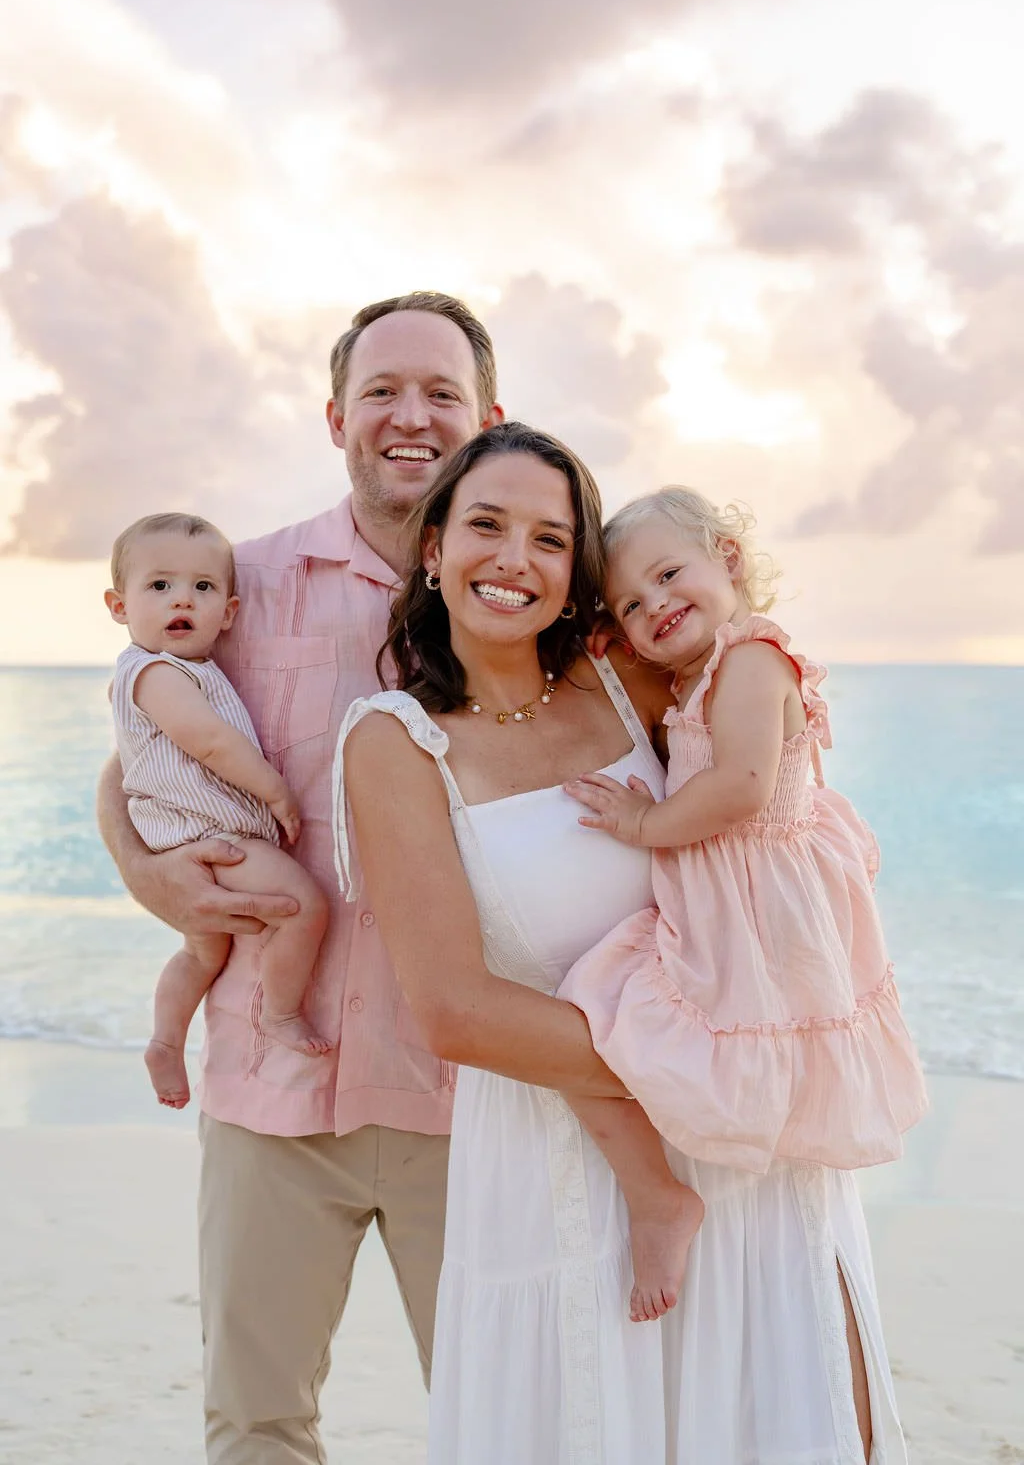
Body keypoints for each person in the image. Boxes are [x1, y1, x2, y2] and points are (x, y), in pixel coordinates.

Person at [340, 425, 909, 1464]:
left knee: (798, 1414)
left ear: (575, 578)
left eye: (550, 539)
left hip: (752, 1143)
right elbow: (453, 1012)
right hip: (571, 1160)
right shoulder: (392, 742)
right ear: (433, 551)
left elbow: (766, 789)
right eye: (485, 525)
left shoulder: (631, 687)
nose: (515, 558)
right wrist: (718, 1053)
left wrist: (781, 1028)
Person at [96, 292, 502, 1464]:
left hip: (470, 1101)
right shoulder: (237, 583)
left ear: (488, 418)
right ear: (336, 416)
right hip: (276, 1083)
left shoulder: (536, 600)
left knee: (506, 1423)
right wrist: (149, 876)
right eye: (381, 390)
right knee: (258, 1427)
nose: (409, 416)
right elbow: (129, 760)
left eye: (440, 393)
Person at [559, 486, 930, 1322]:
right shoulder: (692, 674)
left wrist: (643, 821)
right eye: (631, 602)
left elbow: (743, 787)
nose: (658, 605)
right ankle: (666, 1190)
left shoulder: (753, 660)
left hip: (758, 894)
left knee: (605, 1002)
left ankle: (688, 1185)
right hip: (727, 891)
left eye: (669, 574)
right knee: (598, 1003)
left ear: (726, 557)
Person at [106, 511, 331, 1108]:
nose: (182, 598)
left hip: (187, 837)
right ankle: (281, 1013)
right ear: (118, 605)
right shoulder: (154, 672)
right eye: (159, 586)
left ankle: (164, 1040)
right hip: (214, 833)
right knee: (303, 906)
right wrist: (275, 791)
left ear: (228, 613)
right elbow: (209, 741)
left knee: (202, 950)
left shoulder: (194, 668)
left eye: (202, 588)